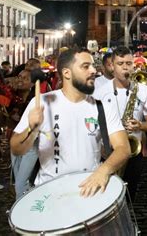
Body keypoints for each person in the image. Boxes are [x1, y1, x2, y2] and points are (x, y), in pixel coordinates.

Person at [10, 48, 130, 197]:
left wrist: (103, 171)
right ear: (67, 73)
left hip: (89, 189)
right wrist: (31, 129)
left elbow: (123, 148)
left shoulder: (103, 107)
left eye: (93, 65)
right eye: (86, 66)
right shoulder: (42, 103)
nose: (93, 70)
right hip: (49, 192)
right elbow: (16, 149)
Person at [93, 46, 147, 200]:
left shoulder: (143, 90)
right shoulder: (100, 91)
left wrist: (140, 125)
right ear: (112, 66)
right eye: (120, 63)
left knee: (129, 195)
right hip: (107, 151)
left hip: (133, 152)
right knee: (105, 196)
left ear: (133, 64)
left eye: (128, 63)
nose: (125, 68)